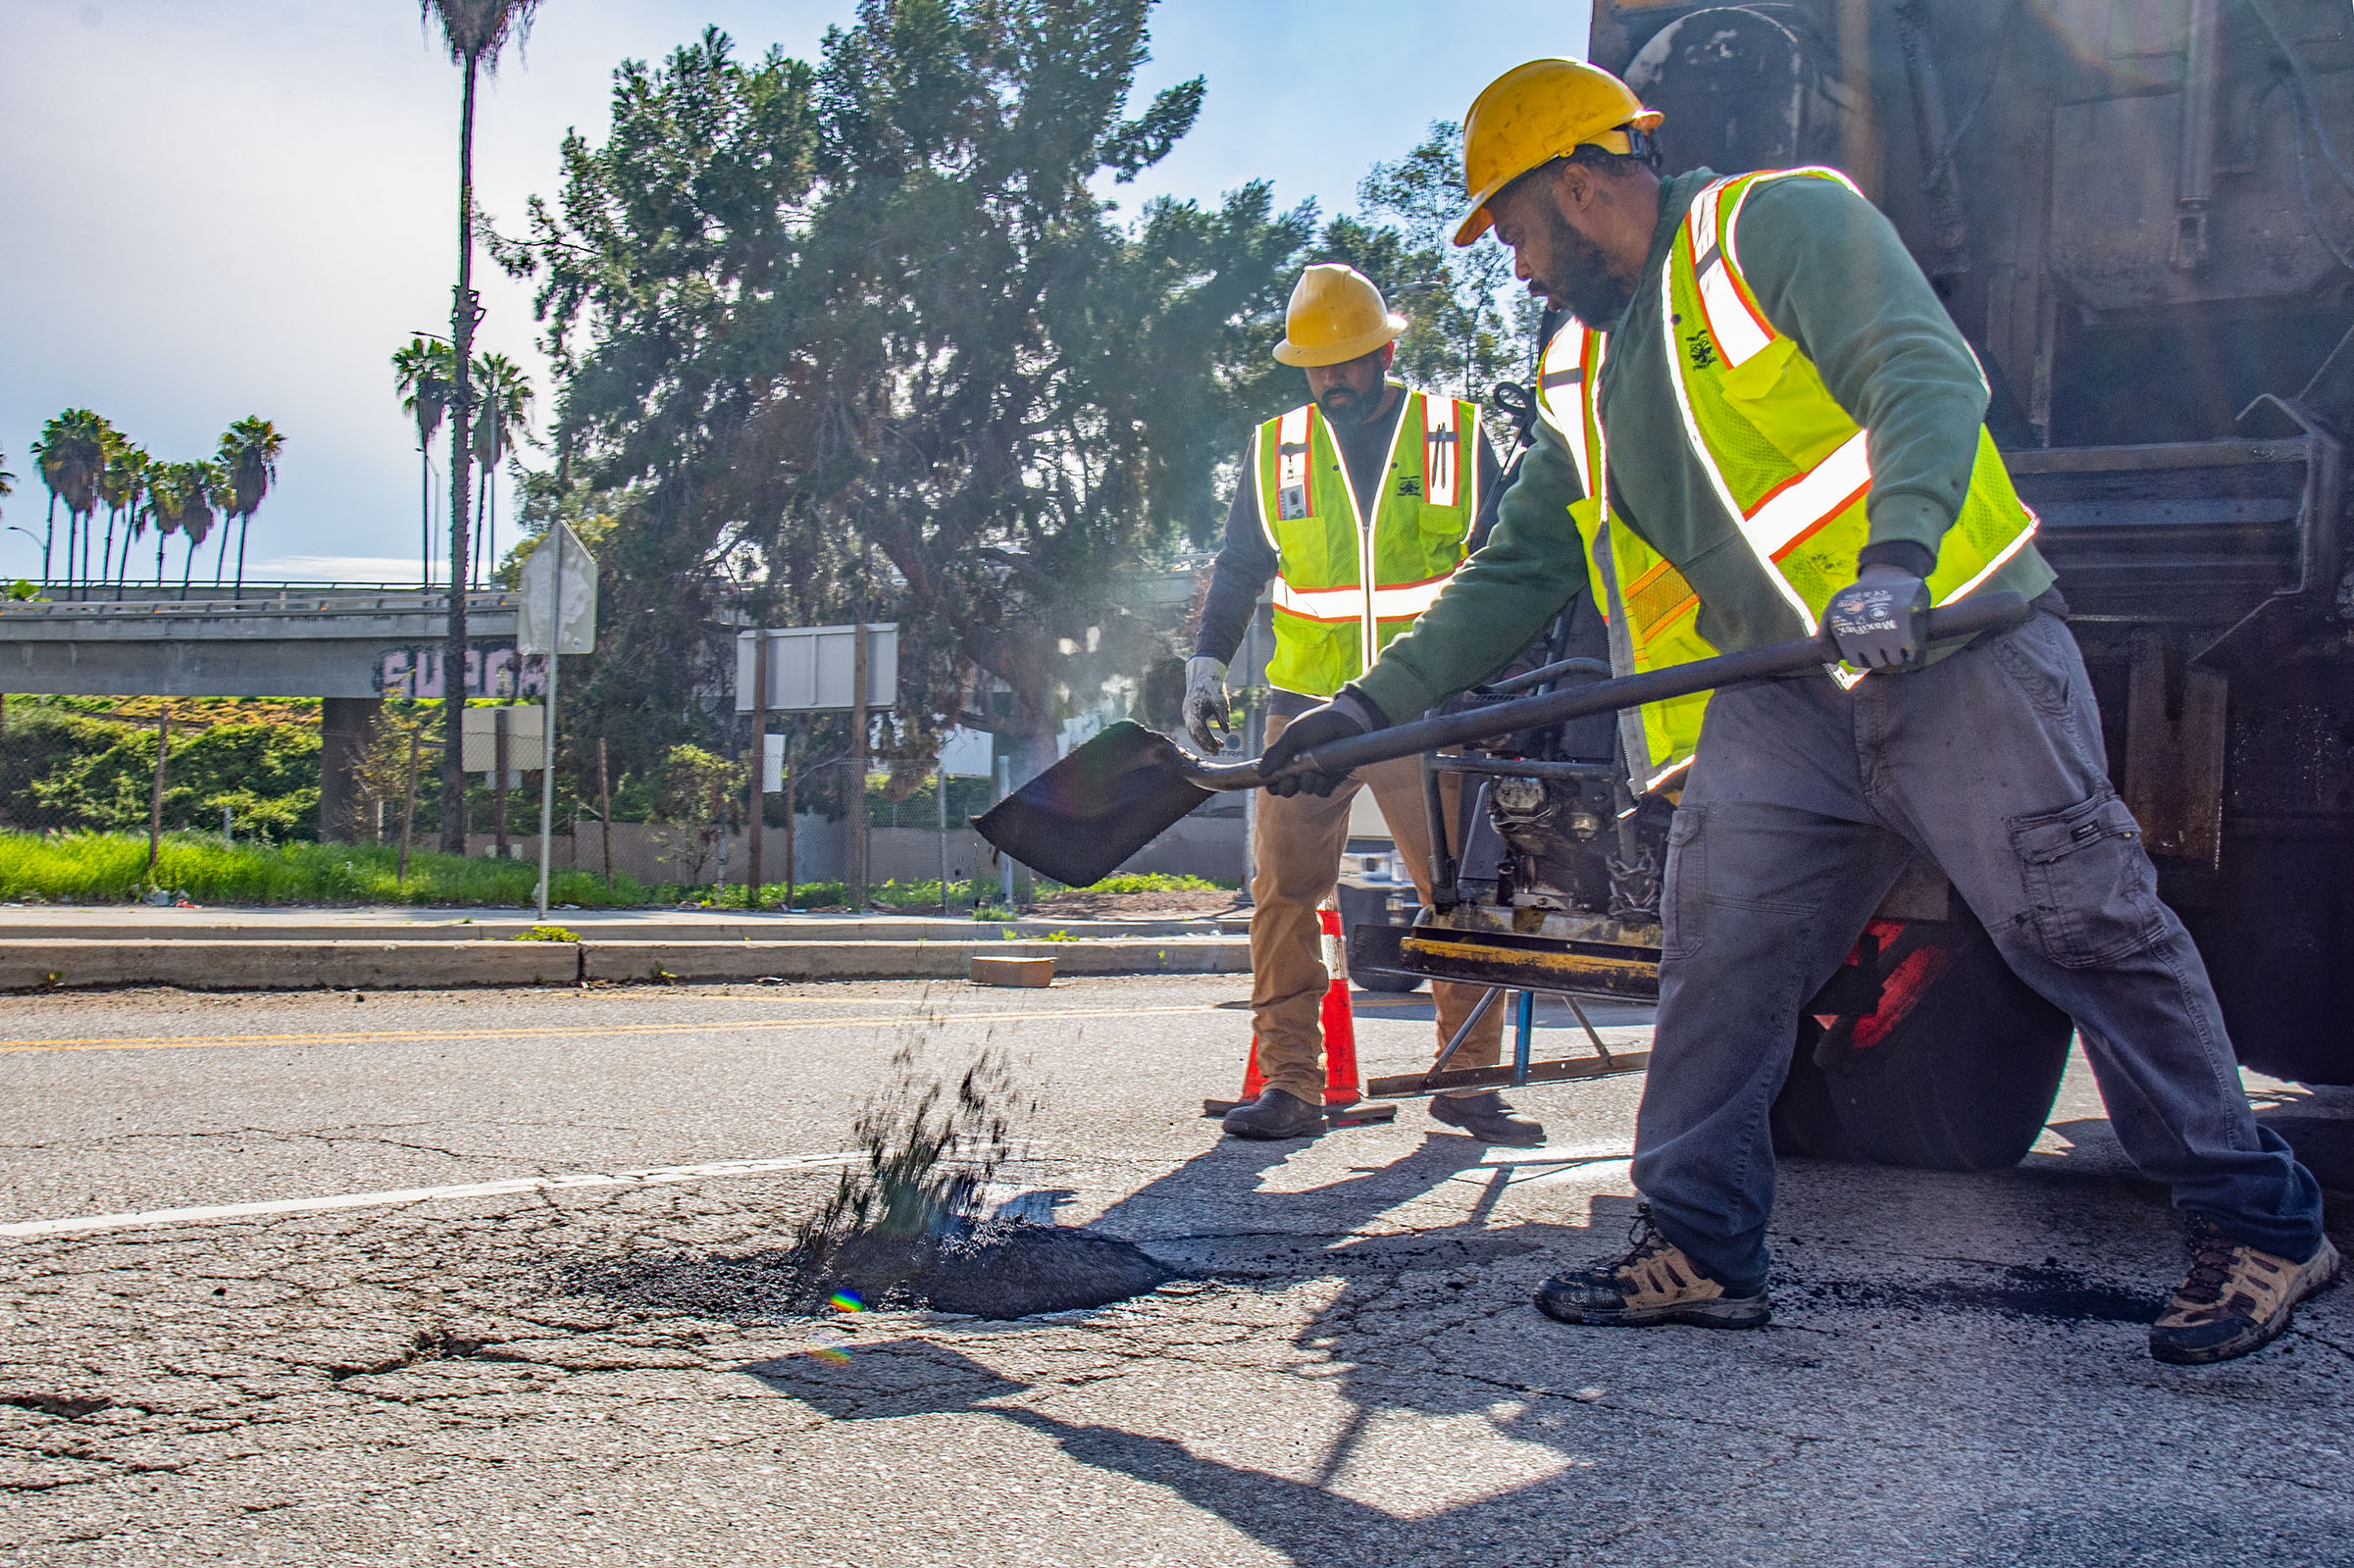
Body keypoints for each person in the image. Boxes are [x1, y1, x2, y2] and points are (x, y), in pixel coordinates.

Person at [1259, 60, 2332, 1364]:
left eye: (1520, 233)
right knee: (1725, 950)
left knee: (2080, 922)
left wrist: (1900, 559)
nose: (1520, 269)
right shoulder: (1575, 368)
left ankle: (2261, 1217)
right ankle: (1701, 1244)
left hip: (1953, 645)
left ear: (1583, 187)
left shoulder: (1774, 229)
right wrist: (1367, 704)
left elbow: (1922, 375)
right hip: (1780, 695)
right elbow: (1520, 564)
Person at [1189, 263, 1538, 1146]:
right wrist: (1204, 662)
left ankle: (1468, 1082)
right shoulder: (1278, 450)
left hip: (1425, 705)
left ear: (1386, 351)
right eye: (1317, 365)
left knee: (1457, 894)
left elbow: (1509, 564)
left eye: (1348, 360)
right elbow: (1238, 567)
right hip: (1306, 708)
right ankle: (1293, 1085)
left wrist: (1503, 688)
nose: (1333, 378)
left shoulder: (1453, 437)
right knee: (1283, 894)